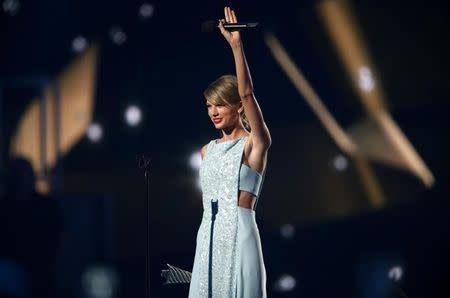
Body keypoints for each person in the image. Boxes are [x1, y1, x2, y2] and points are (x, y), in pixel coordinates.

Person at [188, 7, 272, 298]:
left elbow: (248, 93)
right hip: (208, 236)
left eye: (220, 104)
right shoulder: (205, 151)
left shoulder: (254, 143)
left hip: (240, 232)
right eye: (209, 106)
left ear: (237, 106)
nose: (213, 112)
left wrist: (236, 46)